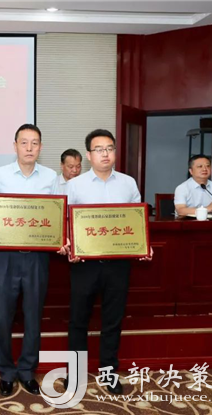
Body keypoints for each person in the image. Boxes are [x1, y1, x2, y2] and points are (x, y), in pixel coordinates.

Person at [61, 129, 152, 395]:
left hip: (118, 264)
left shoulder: (128, 183)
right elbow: (66, 222)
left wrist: (143, 245)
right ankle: (75, 373)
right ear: (89, 155)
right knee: (78, 321)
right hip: (84, 264)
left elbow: (137, 221)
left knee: (112, 320)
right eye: (99, 149)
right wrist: (69, 244)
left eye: (110, 148)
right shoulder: (75, 185)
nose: (105, 154)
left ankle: (109, 372)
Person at [0, 124, 56, 396]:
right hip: (5, 256)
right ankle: (6, 371)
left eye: (34, 143)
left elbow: (57, 214)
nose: (29, 148)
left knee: (33, 316)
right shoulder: (0, 174)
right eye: (24, 143)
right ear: (15, 146)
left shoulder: (50, 176)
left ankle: (26, 370)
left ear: (41, 147)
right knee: (3, 316)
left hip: (37, 257)